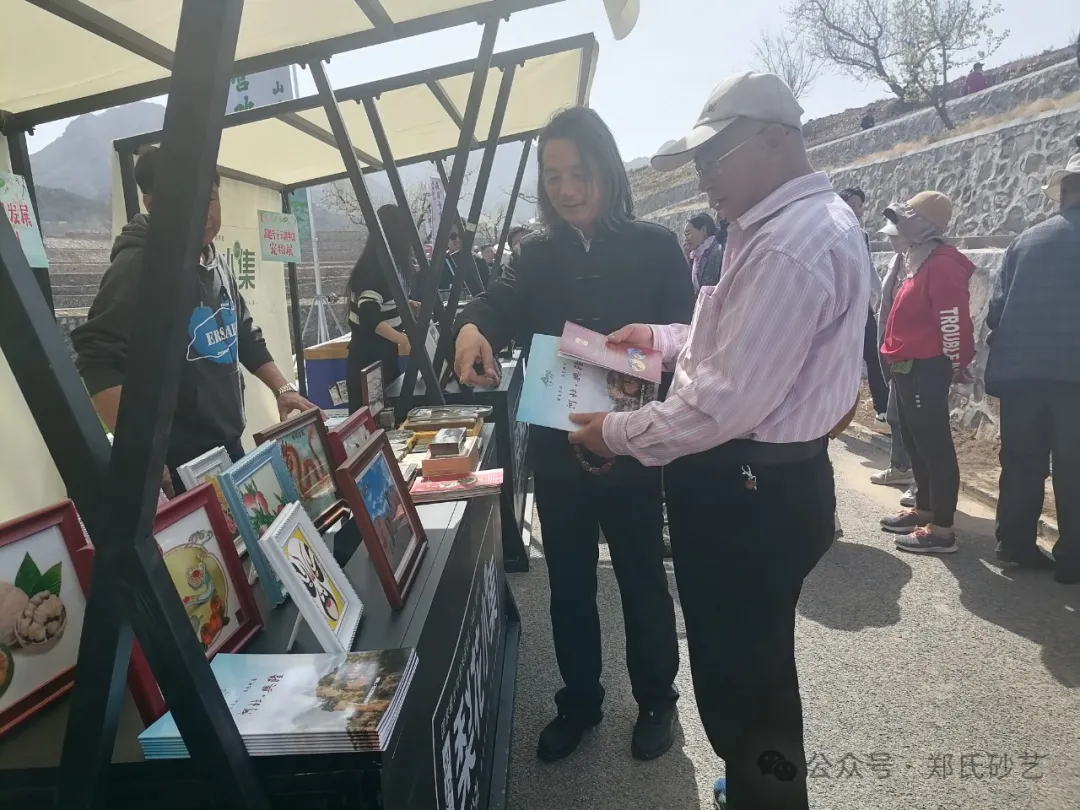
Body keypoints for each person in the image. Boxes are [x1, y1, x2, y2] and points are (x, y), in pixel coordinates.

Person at [565, 72, 869, 810]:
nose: (704, 178)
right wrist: (660, 339)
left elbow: (721, 404)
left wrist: (614, 433)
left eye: (714, 157)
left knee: (744, 680)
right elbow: (727, 340)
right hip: (766, 485)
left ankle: (765, 795)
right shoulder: (785, 225)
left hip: (747, 493)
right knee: (755, 665)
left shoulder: (787, 245)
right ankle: (758, 783)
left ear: (776, 138)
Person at [453, 106, 693, 764]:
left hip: (633, 448)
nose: (566, 188)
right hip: (558, 453)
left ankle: (657, 700)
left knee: (643, 578)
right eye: (553, 176)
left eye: (579, 173)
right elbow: (496, 302)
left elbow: (690, 341)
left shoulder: (656, 246)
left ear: (609, 171)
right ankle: (580, 701)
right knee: (569, 583)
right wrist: (472, 327)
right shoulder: (535, 253)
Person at [71, 146, 314, 496]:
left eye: (210, 198)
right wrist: (142, 453)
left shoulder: (212, 257)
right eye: (188, 200)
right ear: (152, 204)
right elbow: (97, 360)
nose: (204, 212)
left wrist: (283, 389)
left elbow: (242, 331)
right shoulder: (139, 266)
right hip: (177, 464)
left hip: (227, 447)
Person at [984, 152, 1080, 585]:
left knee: (1022, 462)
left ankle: (1015, 544)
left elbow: (996, 312)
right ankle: (1073, 560)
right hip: (1074, 379)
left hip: (1021, 376)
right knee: (1075, 468)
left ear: (1063, 192)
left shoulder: (1025, 241)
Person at [878, 192, 975, 554]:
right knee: (916, 441)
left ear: (925, 225)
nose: (899, 227)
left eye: (906, 219)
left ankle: (942, 529)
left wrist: (957, 361)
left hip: (926, 366)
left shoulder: (942, 263)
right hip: (909, 365)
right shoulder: (919, 259)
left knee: (934, 445)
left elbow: (952, 320)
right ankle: (925, 509)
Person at [345, 203, 417, 413]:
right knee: (374, 419)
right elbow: (370, 317)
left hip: (382, 355)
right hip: (369, 359)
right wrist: (403, 339)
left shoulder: (383, 264)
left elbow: (380, 303)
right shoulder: (376, 269)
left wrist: (403, 306)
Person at [870, 222, 916, 496]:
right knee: (896, 415)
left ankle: (922, 484)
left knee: (916, 420)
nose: (890, 241)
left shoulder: (924, 263)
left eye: (895, 236)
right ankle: (900, 467)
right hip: (894, 348)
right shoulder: (898, 260)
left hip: (914, 351)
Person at [839, 187, 888, 419]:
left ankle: (883, 410)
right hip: (839, 308)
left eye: (860, 206)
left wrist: (879, 295)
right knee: (840, 359)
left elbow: (868, 268)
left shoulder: (863, 236)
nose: (857, 211)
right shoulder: (832, 234)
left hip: (862, 306)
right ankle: (835, 410)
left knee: (873, 354)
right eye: (852, 205)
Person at [683, 212, 727, 292]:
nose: (686, 239)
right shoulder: (695, 256)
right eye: (685, 235)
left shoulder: (717, 252)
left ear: (703, 230)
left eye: (688, 233)